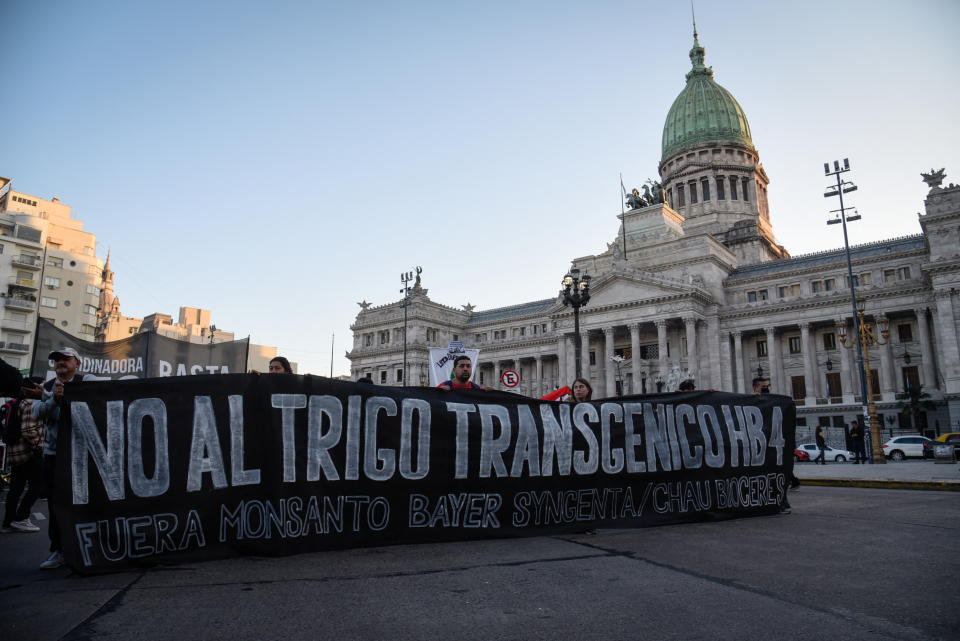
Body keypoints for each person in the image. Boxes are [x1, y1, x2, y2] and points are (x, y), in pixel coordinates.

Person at [34, 347, 92, 569]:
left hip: (84, 453)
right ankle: (58, 550)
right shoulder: (47, 387)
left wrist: (71, 393)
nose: (60, 362)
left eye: (65, 359)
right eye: (57, 360)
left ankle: (90, 547)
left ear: (77, 362)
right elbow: (38, 413)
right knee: (57, 505)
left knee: (89, 501)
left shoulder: (88, 380)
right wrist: (54, 401)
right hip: (55, 455)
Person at [1, 392, 44, 534]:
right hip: (28, 452)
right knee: (38, 485)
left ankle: (8, 523)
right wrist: (40, 445)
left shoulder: (16, 402)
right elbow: (28, 430)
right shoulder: (29, 403)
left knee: (16, 488)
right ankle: (21, 518)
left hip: (15, 452)